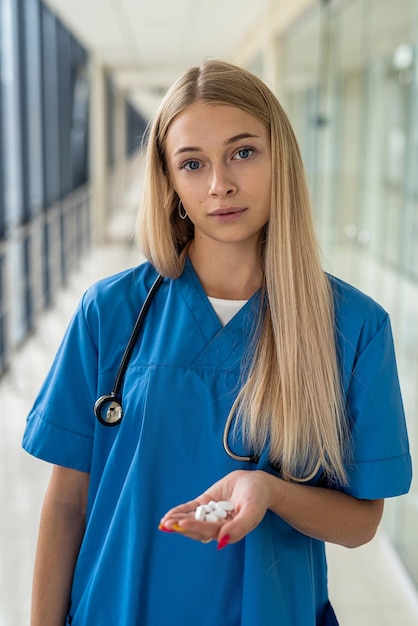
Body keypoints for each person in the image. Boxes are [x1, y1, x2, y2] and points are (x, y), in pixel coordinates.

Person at [23, 60, 412, 626]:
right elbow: (65, 504)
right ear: (171, 183)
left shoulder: (353, 327)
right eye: (192, 163)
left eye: (243, 152)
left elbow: (360, 523)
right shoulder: (110, 313)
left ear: (280, 158)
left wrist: (270, 492)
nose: (219, 184)